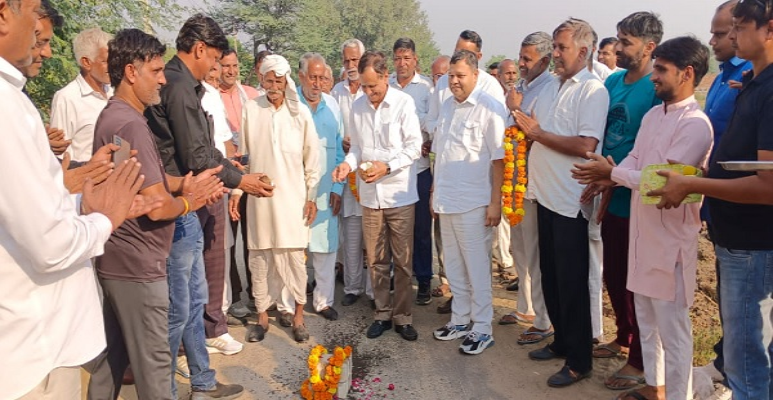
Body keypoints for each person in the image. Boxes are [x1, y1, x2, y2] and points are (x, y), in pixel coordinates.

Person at [0, 0, 150, 396]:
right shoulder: (7, 106)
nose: (44, 48)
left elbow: (32, 202)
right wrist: (105, 217)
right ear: (3, 14)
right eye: (35, 24)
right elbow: (48, 241)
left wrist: (83, 197)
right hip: (34, 347)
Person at [86, 29, 226, 399]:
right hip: (138, 264)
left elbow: (139, 177)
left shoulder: (116, 115)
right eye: (156, 71)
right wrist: (188, 201)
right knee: (154, 366)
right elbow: (156, 204)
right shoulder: (129, 122)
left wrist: (180, 184)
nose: (164, 79)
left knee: (112, 360)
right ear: (132, 72)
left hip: (117, 258)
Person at [574, 35, 712, 400]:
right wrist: (614, 171)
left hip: (670, 245)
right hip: (642, 237)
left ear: (687, 73)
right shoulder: (653, 115)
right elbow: (635, 160)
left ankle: (677, 395)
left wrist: (611, 173)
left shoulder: (696, 125)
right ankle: (655, 387)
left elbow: (661, 183)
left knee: (674, 331)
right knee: (647, 323)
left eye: (662, 70)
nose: (654, 77)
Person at [650, 1, 773, 398]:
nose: (731, 37)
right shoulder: (751, 84)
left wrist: (695, 186)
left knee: (748, 360)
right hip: (736, 238)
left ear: (768, 29)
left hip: (754, 244)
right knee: (741, 354)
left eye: (738, 28)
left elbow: (767, 186)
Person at [146, 13, 269, 399]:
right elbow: (197, 155)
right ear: (199, 49)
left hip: (190, 203)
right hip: (176, 204)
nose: (215, 68)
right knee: (178, 308)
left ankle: (202, 381)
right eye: (214, 59)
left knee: (194, 300)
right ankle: (163, 389)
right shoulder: (180, 86)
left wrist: (231, 168)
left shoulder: (184, 84)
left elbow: (205, 147)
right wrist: (241, 180)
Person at [514, 18, 609, 388]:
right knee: (550, 276)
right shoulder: (553, 86)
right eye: (554, 47)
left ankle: (579, 360)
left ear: (583, 52)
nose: (554, 54)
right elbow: (537, 129)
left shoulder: (592, 91)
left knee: (571, 282)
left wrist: (538, 134)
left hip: (570, 201)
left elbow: (586, 145)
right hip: (544, 195)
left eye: (561, 48)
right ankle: (562, 342)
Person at [591, 11, 664, 393]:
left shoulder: (657, 87)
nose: (618, 48)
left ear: (649, 48)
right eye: (618, 39)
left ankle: (639, 360)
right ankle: (622, 337)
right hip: (611, 188)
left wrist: (617, 176)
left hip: (637, 191)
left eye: (627, 42)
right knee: (615, 272)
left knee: (637, 279)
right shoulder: (616, 81)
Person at [332, 51, 422, 341]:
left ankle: (403, 317)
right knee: (377, 259)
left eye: (374, 86)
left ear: (386, 77)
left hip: (399, 196)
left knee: (403, 261)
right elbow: (356, 147)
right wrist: (348, 164)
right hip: (370, 197)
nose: (369, 92)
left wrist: (388, 166)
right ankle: (382, 313)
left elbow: (414, 147)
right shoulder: (358, 107)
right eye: (365, 87)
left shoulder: (403, 104)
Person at [234, 54, 320, 343]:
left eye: (278, 81)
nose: (273, 85)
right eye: (268, 80)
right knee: (260, 255)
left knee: (294, 257)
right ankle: (261, 317)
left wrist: (311, 196)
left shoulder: (300, 113)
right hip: (259, 198)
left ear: (287, 83)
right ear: (261, 79)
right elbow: (242, 158)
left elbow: (312, 159)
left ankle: (297, 317)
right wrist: (237, 191)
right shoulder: (250, 109)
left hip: (293, 199)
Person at [430, 49, 506, 355]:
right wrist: (435, 191)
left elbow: (499, 159)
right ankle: (459, 319)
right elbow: (441, 153)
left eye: (460, 75)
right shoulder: (447, 106)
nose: (455, 81)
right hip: (447, 198)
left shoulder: (490, 108)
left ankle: (482, 327)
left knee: (477, 268)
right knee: (455, 266)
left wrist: (495, 202)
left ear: (476, 75)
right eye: (451, 75)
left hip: (475, 201)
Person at [694, 2, 752, 397]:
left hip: (748, 208)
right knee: (733, 299)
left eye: (720, 33)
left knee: (749, 302)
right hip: (718, 201)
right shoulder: (721, 79)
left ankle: (741, 374)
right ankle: (725, 362)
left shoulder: (755, 78)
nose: (713, 41)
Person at [498, 32, 554, 346]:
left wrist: (516, 109)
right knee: (518, 249)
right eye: (520, 57)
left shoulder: (549, 89)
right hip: (515, 180)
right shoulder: (521, 88)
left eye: (527, 59)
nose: (520, 64)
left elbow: (537, 133)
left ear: (544, 61)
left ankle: (543, 319)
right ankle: (525, 308)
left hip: (536, 183)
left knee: (535, 252)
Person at [297, 52, 344, 321]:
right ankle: (296, 300)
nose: (317, 83)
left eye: (321, 78)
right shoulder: (292, 105)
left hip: (327, 189)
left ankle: (323, 302)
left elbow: (339, 151)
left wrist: (338, 189)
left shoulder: (333, 106)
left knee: (326, 247)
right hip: (298, 191)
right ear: (302, 77)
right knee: (297, 247)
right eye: (312, 77)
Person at [388, 37, 434, 305]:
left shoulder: (426, 87)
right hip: (394, 171)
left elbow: (434, 120)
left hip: (419, 169)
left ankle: (425, 278)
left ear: (415, 60)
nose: (402, 63)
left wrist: (427, 140)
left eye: (407, 58)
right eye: (398, 58)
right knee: (396, 229)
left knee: (420, 229)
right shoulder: (388, 85)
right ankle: (397, 276)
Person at [218, 48, 260, 322]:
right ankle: (233, 296)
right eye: (225, 66)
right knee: (228, 240)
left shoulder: (251, 95)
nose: (230, 71)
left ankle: (258, 293)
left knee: (253, 239)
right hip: (226, 174)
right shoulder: (210, 96)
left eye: (234, 65)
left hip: (250, 173)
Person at [331, 38, 373, 308]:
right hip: (348, 171)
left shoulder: (375, 88)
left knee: (374, 236)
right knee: (352, 233)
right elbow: (333, 129)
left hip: (372, 172)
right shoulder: (337, 91)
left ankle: (372, 290)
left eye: (355, 60)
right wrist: (343, 143)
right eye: (346, 61)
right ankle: (353, 286)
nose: (350, 65)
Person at [50, 27, 113, 162]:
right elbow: (60, 155)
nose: (112, 66)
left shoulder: (114, 91)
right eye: (105, 61)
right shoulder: (67, 98)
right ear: (86, 62)